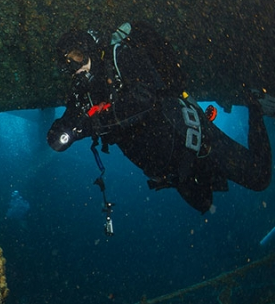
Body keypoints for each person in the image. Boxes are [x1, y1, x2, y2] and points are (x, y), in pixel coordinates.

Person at [47, 23, 272, 213]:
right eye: (66, 64)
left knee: (259, 178)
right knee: (205, 205)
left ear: (89, 48)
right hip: (175, 171)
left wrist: (96, 122)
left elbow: (145, 99)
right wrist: (66, 132)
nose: (74, 67)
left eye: (76, 57)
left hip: (194, 138)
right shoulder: (83, 94)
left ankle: (255, 107)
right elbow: (59, 137)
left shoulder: (120, 59)